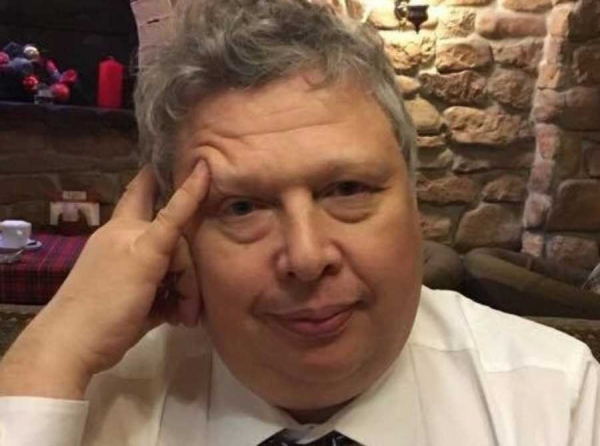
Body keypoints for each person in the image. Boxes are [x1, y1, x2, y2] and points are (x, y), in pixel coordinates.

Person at [0, 1, 598, 444]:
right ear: (175, 237)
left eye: (347, 190)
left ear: (415, 203)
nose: (307, 258)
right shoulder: (82, 402)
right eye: (241, 207)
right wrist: (47, 353)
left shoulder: (557, 401)